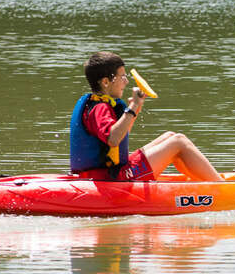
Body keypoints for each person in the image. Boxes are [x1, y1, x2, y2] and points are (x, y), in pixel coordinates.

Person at [70, 51, 223, 182]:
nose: (126, 81)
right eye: (122, 76)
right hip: (113, 177)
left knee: (170, 136)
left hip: (109, 173)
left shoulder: (97, 103)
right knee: (179, 142)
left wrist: (136, 108)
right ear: (105, 82)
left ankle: (205, 181)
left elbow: (119, 137)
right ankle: (221, 187)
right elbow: (113, 138)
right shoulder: (100, 108)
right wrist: (133, 107)